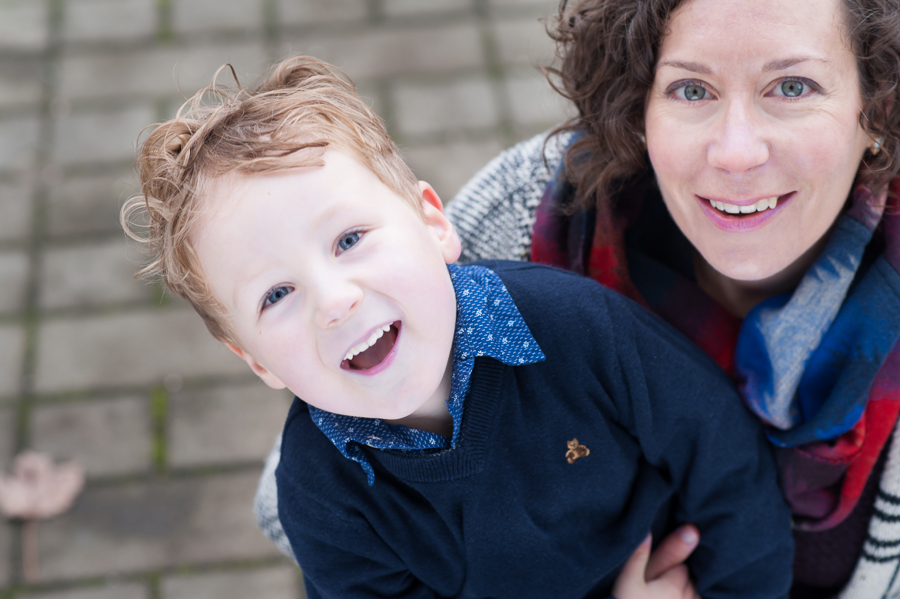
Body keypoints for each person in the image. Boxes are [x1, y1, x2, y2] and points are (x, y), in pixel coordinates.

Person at [254, 0, 900, 597]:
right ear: (639, 106)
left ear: (875, 106)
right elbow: (295, 504)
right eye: (691, 88)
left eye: (792, 87)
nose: (736, 152)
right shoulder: (524, 212)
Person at [121, 56, 793, 598]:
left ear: (434, 224)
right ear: (256, 360)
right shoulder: (322, 496)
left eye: (350, 238)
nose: (334, 299)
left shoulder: (577, 328)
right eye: (275, 293)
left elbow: (722, 455)